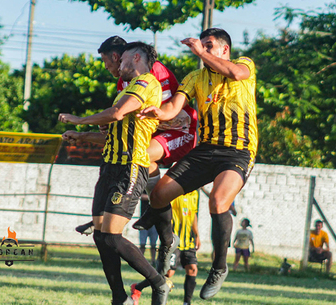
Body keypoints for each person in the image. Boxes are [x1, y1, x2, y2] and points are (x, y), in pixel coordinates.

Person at [134, 28, 258, 300]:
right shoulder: (194, 78)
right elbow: (173, 108)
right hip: (205, 150)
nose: (202, 50)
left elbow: (236, 74)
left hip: (238, 151)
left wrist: (201, 53)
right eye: (201, 46)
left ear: (225, 50)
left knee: (217, 202)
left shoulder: (244, 65)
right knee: (158, 195)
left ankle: (219, 267)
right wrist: (159, 112)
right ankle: (168, 243)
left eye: (209, 46)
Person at [58, 41, 170, 305]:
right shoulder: (125, 90)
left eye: (123, 60)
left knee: (111, 235)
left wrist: (79, 119)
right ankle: (118, 297)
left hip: (130, 167)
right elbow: (109, 134)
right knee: (100, 235)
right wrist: (82, 136)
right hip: (109, 168)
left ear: (137, 58)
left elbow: (117, 114)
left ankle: (158, 282)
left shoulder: (146, 83)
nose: (118, 65)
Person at [74, 36, 197, 267]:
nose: (108, 67)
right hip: (155, 134)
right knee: (128, 154)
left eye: (106, 61)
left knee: (138, 154)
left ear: (116, 56)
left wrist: (99, 119)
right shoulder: (125, 80)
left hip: (181, 132)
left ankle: (157, 220)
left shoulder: (154, 72)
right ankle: (113, 211)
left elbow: (171, 114)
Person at [130, 190, 201, 305]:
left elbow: (193, 215)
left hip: (188, 240)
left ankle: (187, 303)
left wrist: (197, 234)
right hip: (173, 240)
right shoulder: (174, 191)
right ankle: (138, 287)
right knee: (167, 273)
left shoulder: (194, 194)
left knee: (192, 269)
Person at [138, 191, 159, 266]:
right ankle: (140, 260)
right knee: (142, 244)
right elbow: (141, 196)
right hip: (143, 221)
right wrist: (151, 197)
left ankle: (153, 261)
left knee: (153, 244)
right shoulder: (144, 187)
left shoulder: (157, 186)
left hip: (154, 221)